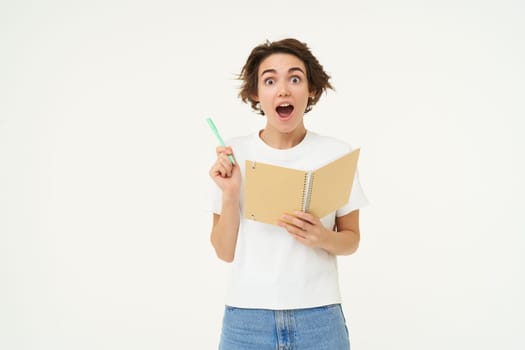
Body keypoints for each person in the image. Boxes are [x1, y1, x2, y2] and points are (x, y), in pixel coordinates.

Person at [208, 38, 368, 350]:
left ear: (311, 89)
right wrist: (230, 194)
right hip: (247, 319)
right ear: (257, 93)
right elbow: (224, 251)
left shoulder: (335, 153)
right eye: (270, 80)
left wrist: (321, 237)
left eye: (295, 78)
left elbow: (352, 239)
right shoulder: (234, 153)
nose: (283, 90)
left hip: (319, 318)